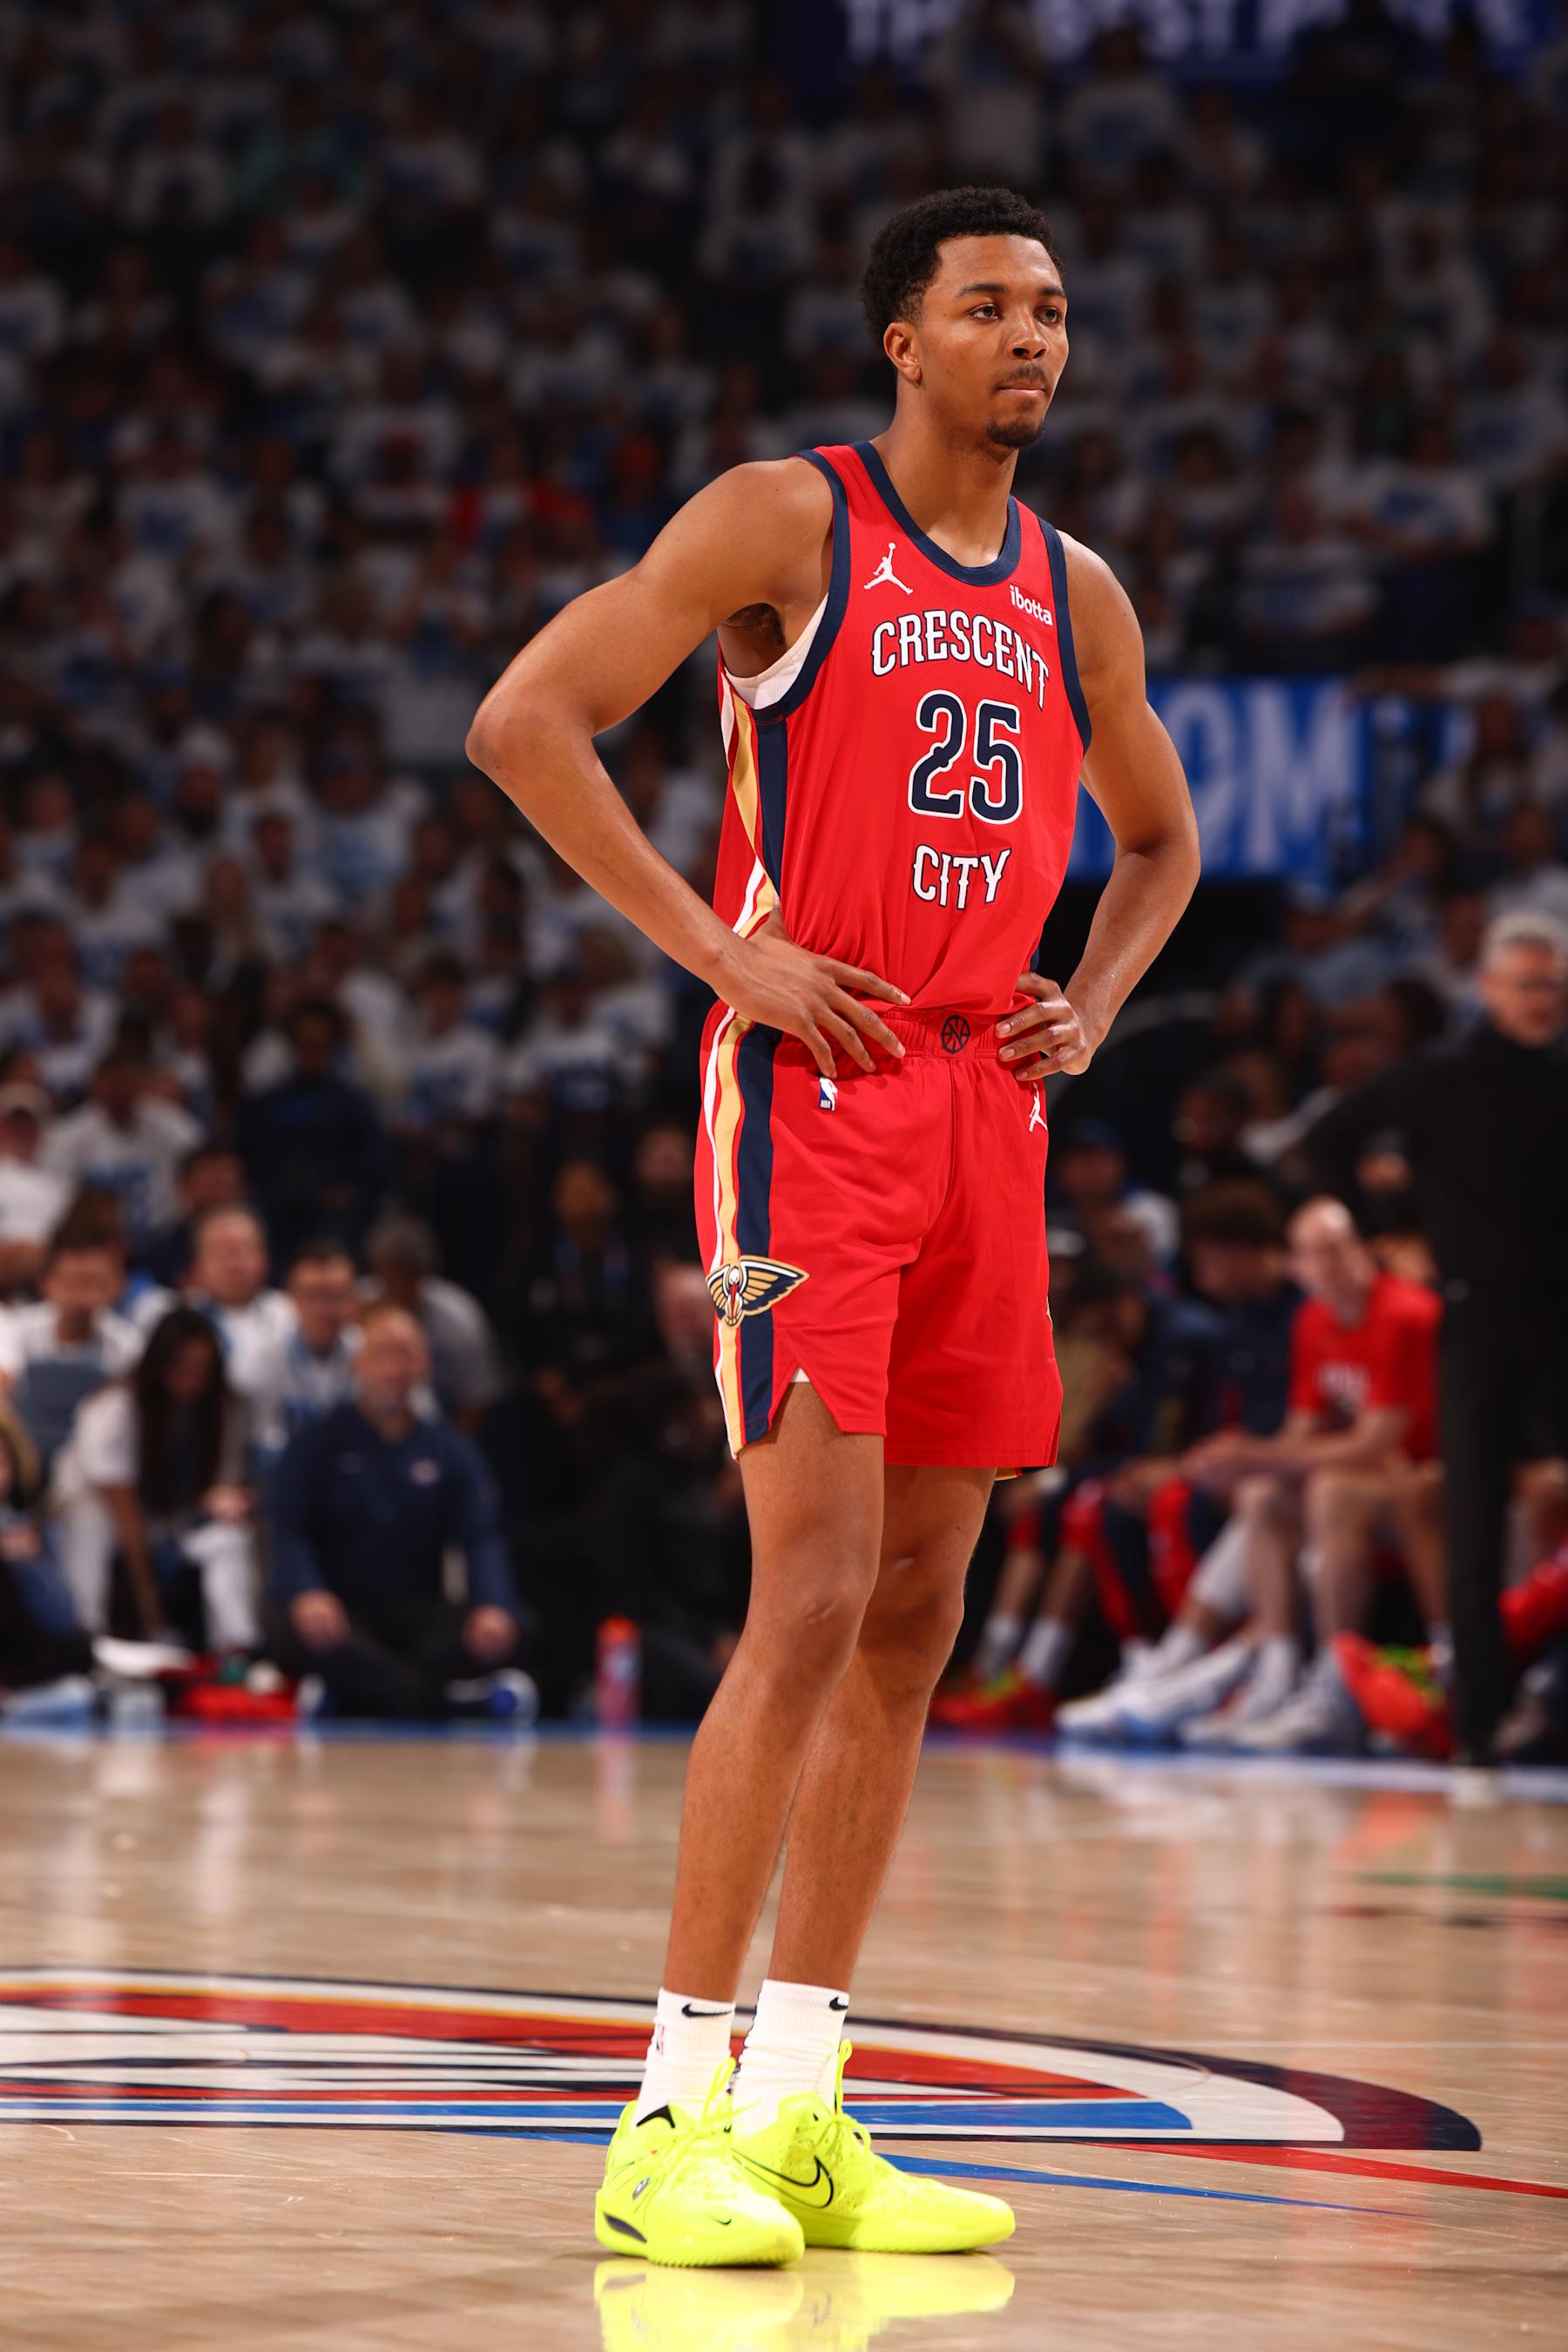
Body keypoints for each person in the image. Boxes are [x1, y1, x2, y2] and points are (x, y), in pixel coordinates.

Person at [467, 184, 1199, 2265]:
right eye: (989, 305)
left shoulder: (1076, 590)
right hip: (816, 1099)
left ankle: (799, 2103)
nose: (1031, 336)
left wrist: (1095, 999)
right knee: (804, 1594)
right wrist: (723, 951)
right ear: (905, 340)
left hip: (985, 1110)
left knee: (918, 1606)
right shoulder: (788, 520)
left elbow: (1160, 844)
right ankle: (663, 2112)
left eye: (1051, 307)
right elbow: (524, 721)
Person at [1308, 909, 1568, 1769]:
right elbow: (1327, 1141)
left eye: (1554, 984)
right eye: (1527, 984)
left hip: (1559, 1318)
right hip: (1477, 1320)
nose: (1543, 998)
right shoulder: (1444, 1073)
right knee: (1471, 1523)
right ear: (1488, 987)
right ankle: (1479, 1722)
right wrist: (1391, 1231)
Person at [263, 1303, 534, 1720]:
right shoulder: (316, 1443)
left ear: (424, 1363)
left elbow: (481, 1535)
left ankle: (356, 1698)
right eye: (380, 1354)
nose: (392, 1369)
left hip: (418, 1612)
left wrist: (493, 1603)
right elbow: (288, 1529)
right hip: (340, 1611)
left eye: (404, 1354)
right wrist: (307, 1591)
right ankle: (453, 1702)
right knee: (293, 1633)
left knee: (517, 1627)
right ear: (357, 1362)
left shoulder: (451, 1449)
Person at [60, 1307, 260, 1651]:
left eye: (202, 1369)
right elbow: (126, 1517)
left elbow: (223, 1483)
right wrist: (153, 1615)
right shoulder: (116, 1406)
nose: (191, 1379)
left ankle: (235, 1652)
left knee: (229, 1537)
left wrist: (226, 1499)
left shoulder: (220, 1404)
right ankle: (85, 1639)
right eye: (182, 1367)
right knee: (89, 1521)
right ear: (158, 1364)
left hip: (171, 1517)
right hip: (103, 1513)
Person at [0, 1227, 142, 1473]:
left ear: (116, 1286)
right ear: (45, 1283)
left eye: (95, 1283)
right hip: (20, 1463)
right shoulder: (14, 1326)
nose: (82, 1294)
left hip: (91, 1469)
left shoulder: (128, 1345)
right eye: (72, 1281)